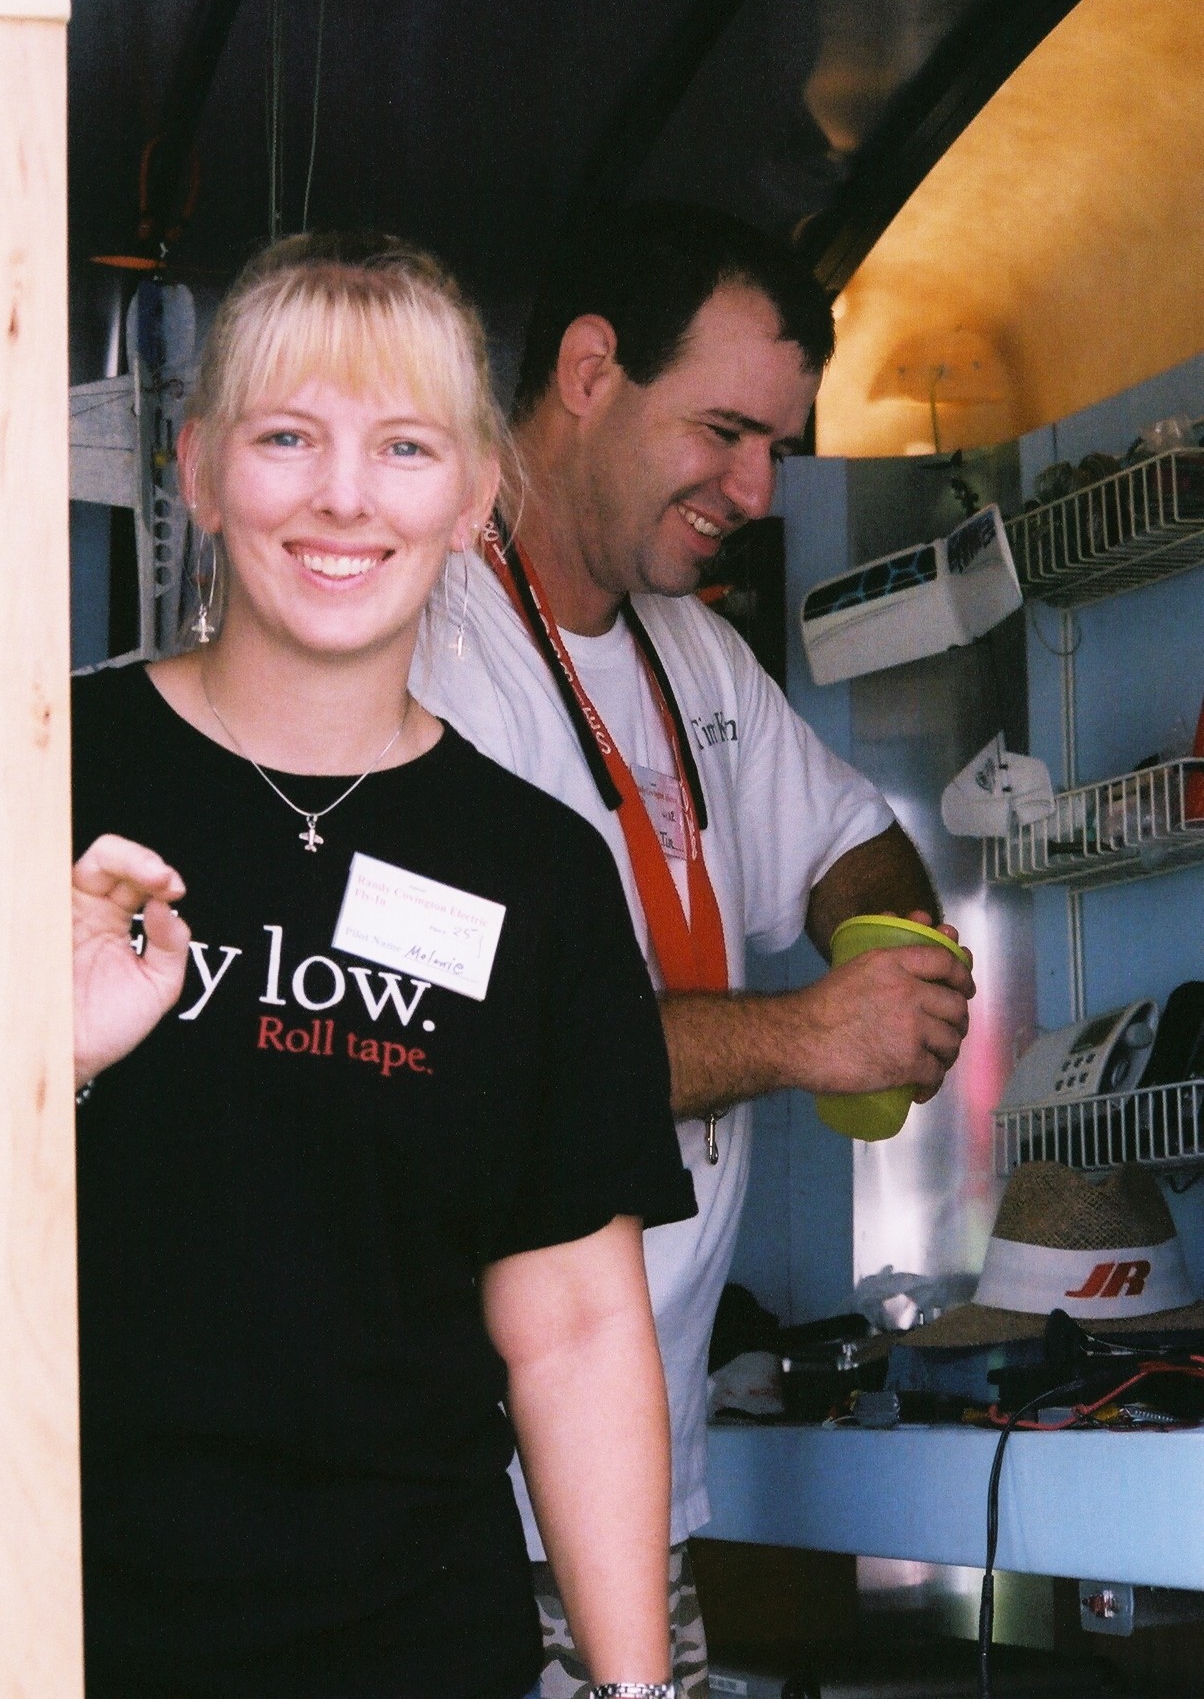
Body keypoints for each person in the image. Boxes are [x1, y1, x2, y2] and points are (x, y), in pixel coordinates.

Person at [70, 231, 698, 1699]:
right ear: (198, 470)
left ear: (475, 498)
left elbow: (575, 1329)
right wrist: (49, 1066)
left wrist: (634, 1689)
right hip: (63, 1623)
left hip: (417, 1645)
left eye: (404, 446)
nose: (343, 496)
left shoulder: (537, 872)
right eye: (288, 436)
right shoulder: (44, 777)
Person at [413, 201, 976, 1698]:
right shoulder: (423, 637)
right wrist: (806, 1035)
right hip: (465, 1489)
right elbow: (482, 1052)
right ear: (588, 370)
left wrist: (891, 963)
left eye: (777, 445)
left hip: (640, 1466)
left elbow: (852, 836)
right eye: (724, 431)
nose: (756, 487)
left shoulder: (697, 652)